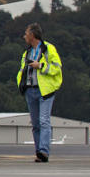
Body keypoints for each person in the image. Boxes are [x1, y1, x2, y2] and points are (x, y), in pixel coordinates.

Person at [16, 23, 62, 162]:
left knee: (44, 121)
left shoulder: (49, 49)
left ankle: (44, 151)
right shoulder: (27, 52)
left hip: (45, 91)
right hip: (30, 90)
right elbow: (22, 70)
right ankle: (39, 152)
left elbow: (57, 68)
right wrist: (21, 86)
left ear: (32, 35)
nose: (24, 36)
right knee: (35, 124)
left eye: (26, 33)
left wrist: (40, 66)